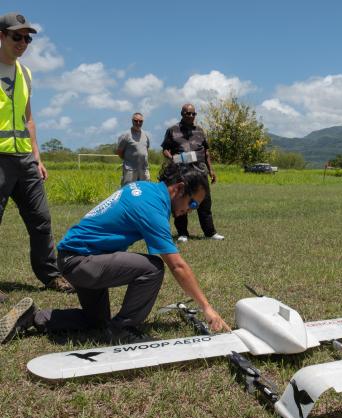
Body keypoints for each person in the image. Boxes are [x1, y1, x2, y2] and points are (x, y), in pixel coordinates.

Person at [0, 163, 230, 345]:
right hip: (81, 261)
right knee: (153, 268)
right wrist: (207, 307)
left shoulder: (146, 189)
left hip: (78, 257)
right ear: (179, 188)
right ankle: (122, 330)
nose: (189, 211)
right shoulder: (152, 207)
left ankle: (33, 318)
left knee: (96, 321)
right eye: (192, 204)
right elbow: (177, 266)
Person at [0, 12, 73, 294]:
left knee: (41, 220)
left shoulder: (25, 73)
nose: (23, 43)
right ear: (2, 36)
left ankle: (51, 275)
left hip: (25, 160)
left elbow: (29, 119)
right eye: (17, 36)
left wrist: (38, 158)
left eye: (27, 38)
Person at [162, 104, 224, 242]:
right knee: (181, 201)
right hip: (181, 172)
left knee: (205, 202)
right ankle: (183, 233)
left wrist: (211, 170)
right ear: (182, 114)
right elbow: (165, 149)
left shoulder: (200, 131)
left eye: (193, 114)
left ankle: (210, 233)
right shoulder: (172, 130)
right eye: (187, 113)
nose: (190, 116)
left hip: (200, 171)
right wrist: (172, 158)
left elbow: (206, 151)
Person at [116, 112, 151, 186]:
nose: (138, 123)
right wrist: (129, 160)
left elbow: (146, 150)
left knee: (145, 190)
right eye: (136, 121)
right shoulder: (126, 135)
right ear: (132, 121)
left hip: (144, 170)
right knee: (129, 190)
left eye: (140, 121)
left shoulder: (146, 135)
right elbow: (119, 151)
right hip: (130, 170)